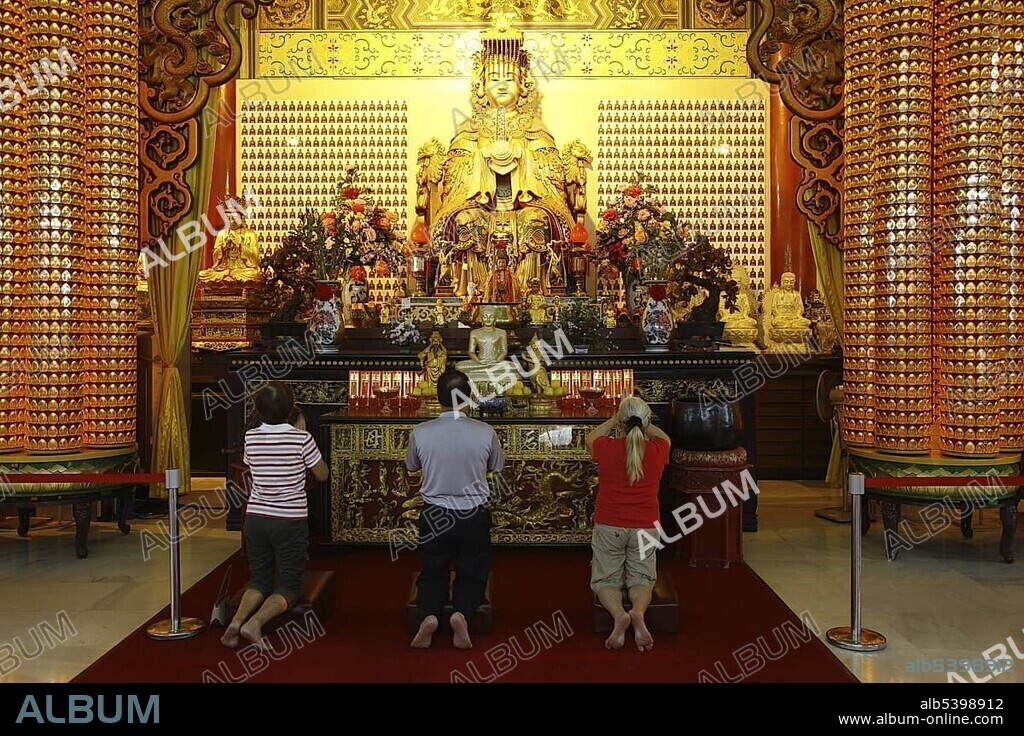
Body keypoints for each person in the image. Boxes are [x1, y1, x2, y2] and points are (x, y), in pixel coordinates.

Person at [221, 381, 329, 649]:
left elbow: (250, 465)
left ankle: (235, 622)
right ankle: (256, 622)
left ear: (258, 409)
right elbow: (322, 474)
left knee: (259, 579)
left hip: (256, 517)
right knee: (290, 585)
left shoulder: (251, 437)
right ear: (292, 409)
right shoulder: (301, 438)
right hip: (289, 520)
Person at [406, 369, 504, 649]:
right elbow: (497, 467)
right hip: (473, 513)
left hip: (434, 512)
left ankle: (429, 616)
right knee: (473, 569)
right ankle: (461, 612)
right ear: (469, 396)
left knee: (432, 569)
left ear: (437, 399)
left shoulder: (421, 432)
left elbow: (411, 466)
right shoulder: (485, 431)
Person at [585, 396, 671, 652]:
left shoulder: (606, 447)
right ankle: (638, 613)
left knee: (605, 580)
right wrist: (643, 423)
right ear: (645, 422)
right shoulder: (659, 448)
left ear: (621, 424)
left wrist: (615, 418)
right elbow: (665, 436)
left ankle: (618, 614)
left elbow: (590, 437)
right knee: (642, 578)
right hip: (646, 525)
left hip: (610, 524)